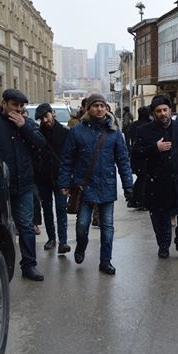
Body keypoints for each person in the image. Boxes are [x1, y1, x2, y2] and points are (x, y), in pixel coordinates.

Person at [58, 93, 134, 275]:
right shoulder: (77, 131)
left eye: (102, 105)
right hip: (84, 186)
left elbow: (123, 160)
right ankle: (80, 247)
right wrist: (64, 182)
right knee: (83, 224)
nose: (99, 109)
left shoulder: (114, 132)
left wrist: (128, 186)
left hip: (107, 185)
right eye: (95, 106)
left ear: (106, 108)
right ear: (88, 108)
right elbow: (67, 159)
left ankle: (105, 260)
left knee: (107, 226)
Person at [0, 89, 47, 281]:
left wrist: (24, 127)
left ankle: (29, 265)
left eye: (21, 106)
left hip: (24, 185)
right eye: (14, 105)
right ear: (3, 103)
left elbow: (41, 144)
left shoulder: (27, 124)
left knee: (27, 226)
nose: (18, 110)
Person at [133, 97, 178, 260]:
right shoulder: (144, 131)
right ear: (153, 113)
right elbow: (135, 155)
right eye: (158, 111)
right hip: (157, 183)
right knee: (160, 218)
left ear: (170, 110)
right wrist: (155, 148)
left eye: (165, 110)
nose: (163, 114)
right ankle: (163, 245)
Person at [33, 103, 70, 255]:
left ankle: (63, 241)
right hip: (44, 178)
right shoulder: (38, 133)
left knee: (61, 209)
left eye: (46, 116)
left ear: (52, 113)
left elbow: (70, 156)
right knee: (47, 210)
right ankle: (51, 238)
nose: (45, 120)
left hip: (60, 177)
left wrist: (69, 176)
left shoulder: (65, 132)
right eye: (42, 118)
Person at [126, 106, 150, 209]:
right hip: (145, 156)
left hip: (136, 156)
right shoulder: (148, 126)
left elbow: (129, 139)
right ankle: (139, 200)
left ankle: (134, 199)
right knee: (143, 179)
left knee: (141, 178)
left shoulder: (133, 125)